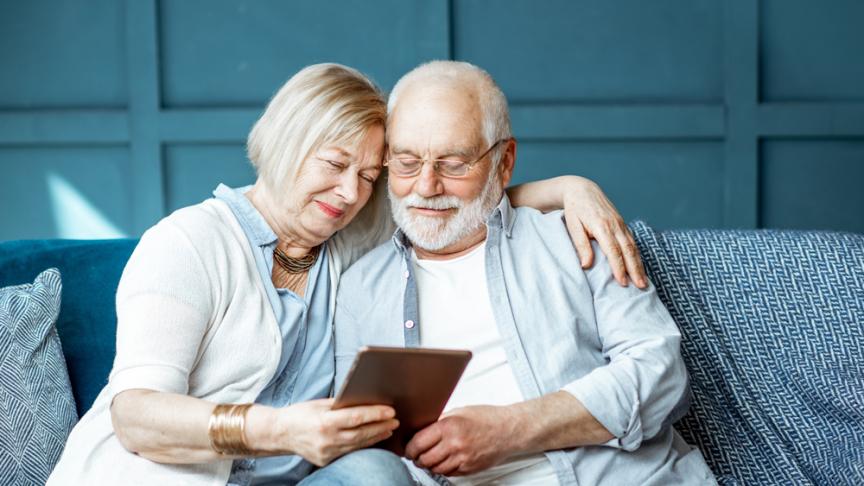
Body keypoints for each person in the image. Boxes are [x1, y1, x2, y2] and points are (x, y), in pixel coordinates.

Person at [46, 63, 645, 486]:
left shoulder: (345, 240)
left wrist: (571, 189)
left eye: (370, 175)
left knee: (374, 471)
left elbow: (447, 200)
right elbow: (136, 416)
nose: (350, 192)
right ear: (284, 143)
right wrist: (277, 430)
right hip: (154, 477)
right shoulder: (189, 242)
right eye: (334, 165)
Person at [333, 61, 717, 485]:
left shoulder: (575, 238)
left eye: (454, 163)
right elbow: (357, 447)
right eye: (407, 163)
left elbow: (660, 374)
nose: (426, 186)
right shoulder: (359, 288)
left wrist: (511, 429)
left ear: (504, 161)